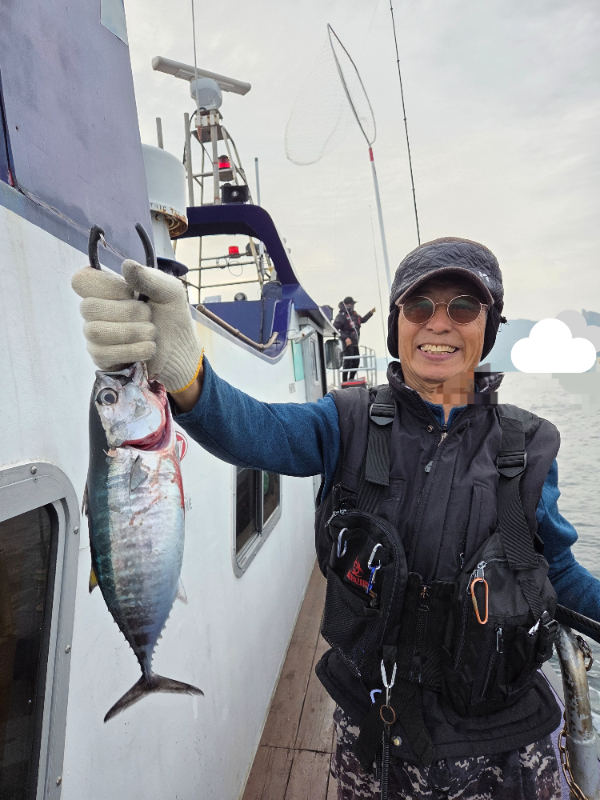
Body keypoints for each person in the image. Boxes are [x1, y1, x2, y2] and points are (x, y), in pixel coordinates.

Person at [72, 236, 600, 800]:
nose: (438, 323)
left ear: (488, 326)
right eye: (419, 305)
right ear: (396, 324)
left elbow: (557, 575)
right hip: (380, 735)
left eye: (464, 307)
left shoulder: (528, 444)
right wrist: (183, 371)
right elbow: (256, 431)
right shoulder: (347, 421)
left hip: (504, 742)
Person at [333, 297, 376, 382]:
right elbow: (335, 329)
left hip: (355, 343)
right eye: (351, 304)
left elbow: (362, 320)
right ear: (347, 305)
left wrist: (371, 313)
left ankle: (351, 379)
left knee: (356, 361)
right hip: (347, 344)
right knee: (347, 363)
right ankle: (344, 381)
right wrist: (346, 338)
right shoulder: (341, 316)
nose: (352, 306)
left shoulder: (354, 314)